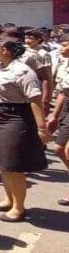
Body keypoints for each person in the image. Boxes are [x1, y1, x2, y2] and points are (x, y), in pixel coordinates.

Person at [0, 34, 49, 222]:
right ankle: (9, 199)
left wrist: (42, 129)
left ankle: (18, 207)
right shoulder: (0, 67)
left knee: (13, 166)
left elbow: (35, 100)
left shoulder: (23, 72)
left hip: (16, 118)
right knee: (3, 162)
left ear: (5, 50)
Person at [47, 33, 69, 206]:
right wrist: (54, 116)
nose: (61, 48)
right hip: (67, 107)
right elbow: (62, 92)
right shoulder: (64, 64)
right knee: (59, 148)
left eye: (65, 45)